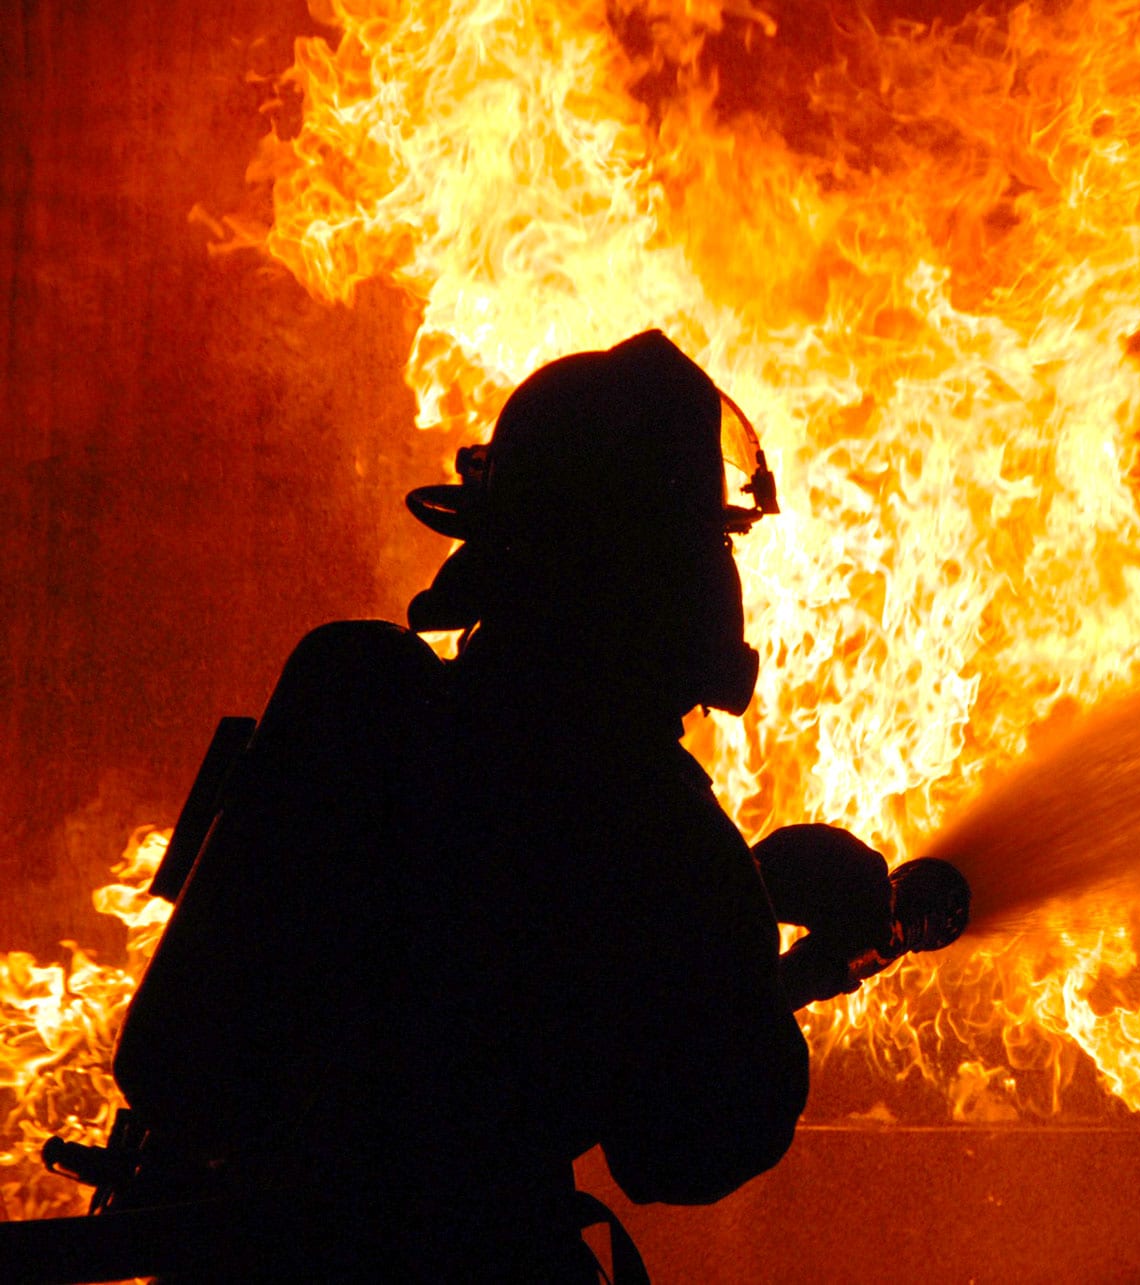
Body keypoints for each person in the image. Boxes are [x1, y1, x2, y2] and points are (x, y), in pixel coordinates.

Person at [103, 330, 900, 1281]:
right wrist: (760, 956)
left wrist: (737, 915)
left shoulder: (359, 699)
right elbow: (687, 1145)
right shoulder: (653, 825)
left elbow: (187, 1060)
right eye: (712, 541)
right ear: (657, 568)